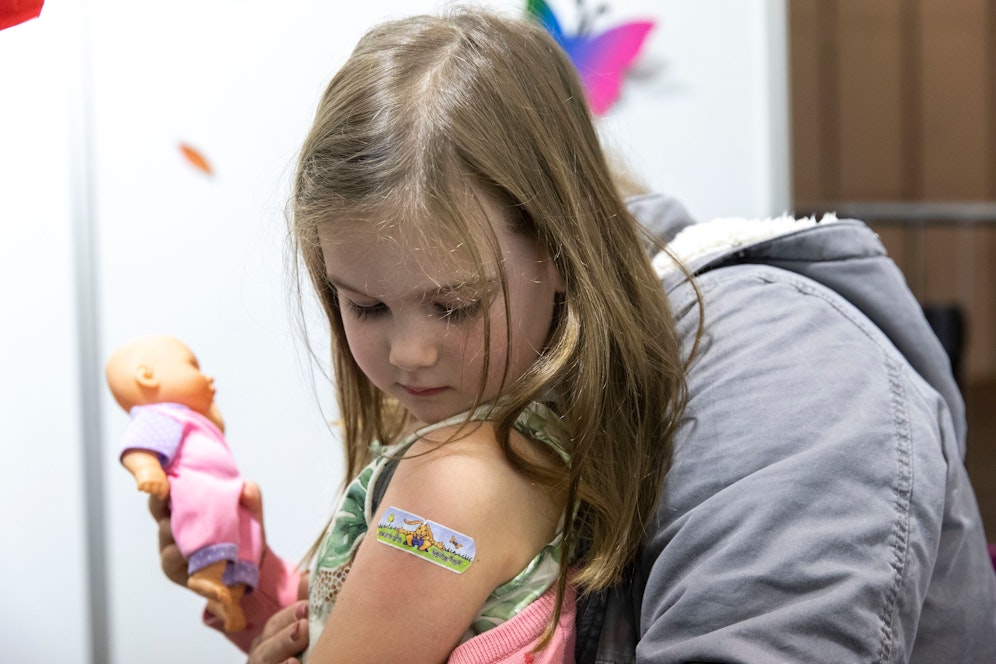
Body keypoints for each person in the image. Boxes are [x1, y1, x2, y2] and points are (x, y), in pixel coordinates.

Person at [147, 8, 996, 663]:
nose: (408, 354)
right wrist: (264, 595)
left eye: (452, 306)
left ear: (559, 243)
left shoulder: (453, 480)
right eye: (364, 308)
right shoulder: (504, 392)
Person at [108, 335, 262, 633]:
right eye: (194, 367)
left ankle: (229, 595)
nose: (207, 376)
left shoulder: (189, 418)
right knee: (210, 524)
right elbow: (137, 447)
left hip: (227, 492)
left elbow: (218, 429)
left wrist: (208, 405)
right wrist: (147, 468)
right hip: (199, 489)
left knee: (246, 537)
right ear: (147, 376)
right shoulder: (162, 415)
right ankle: (208, 574)